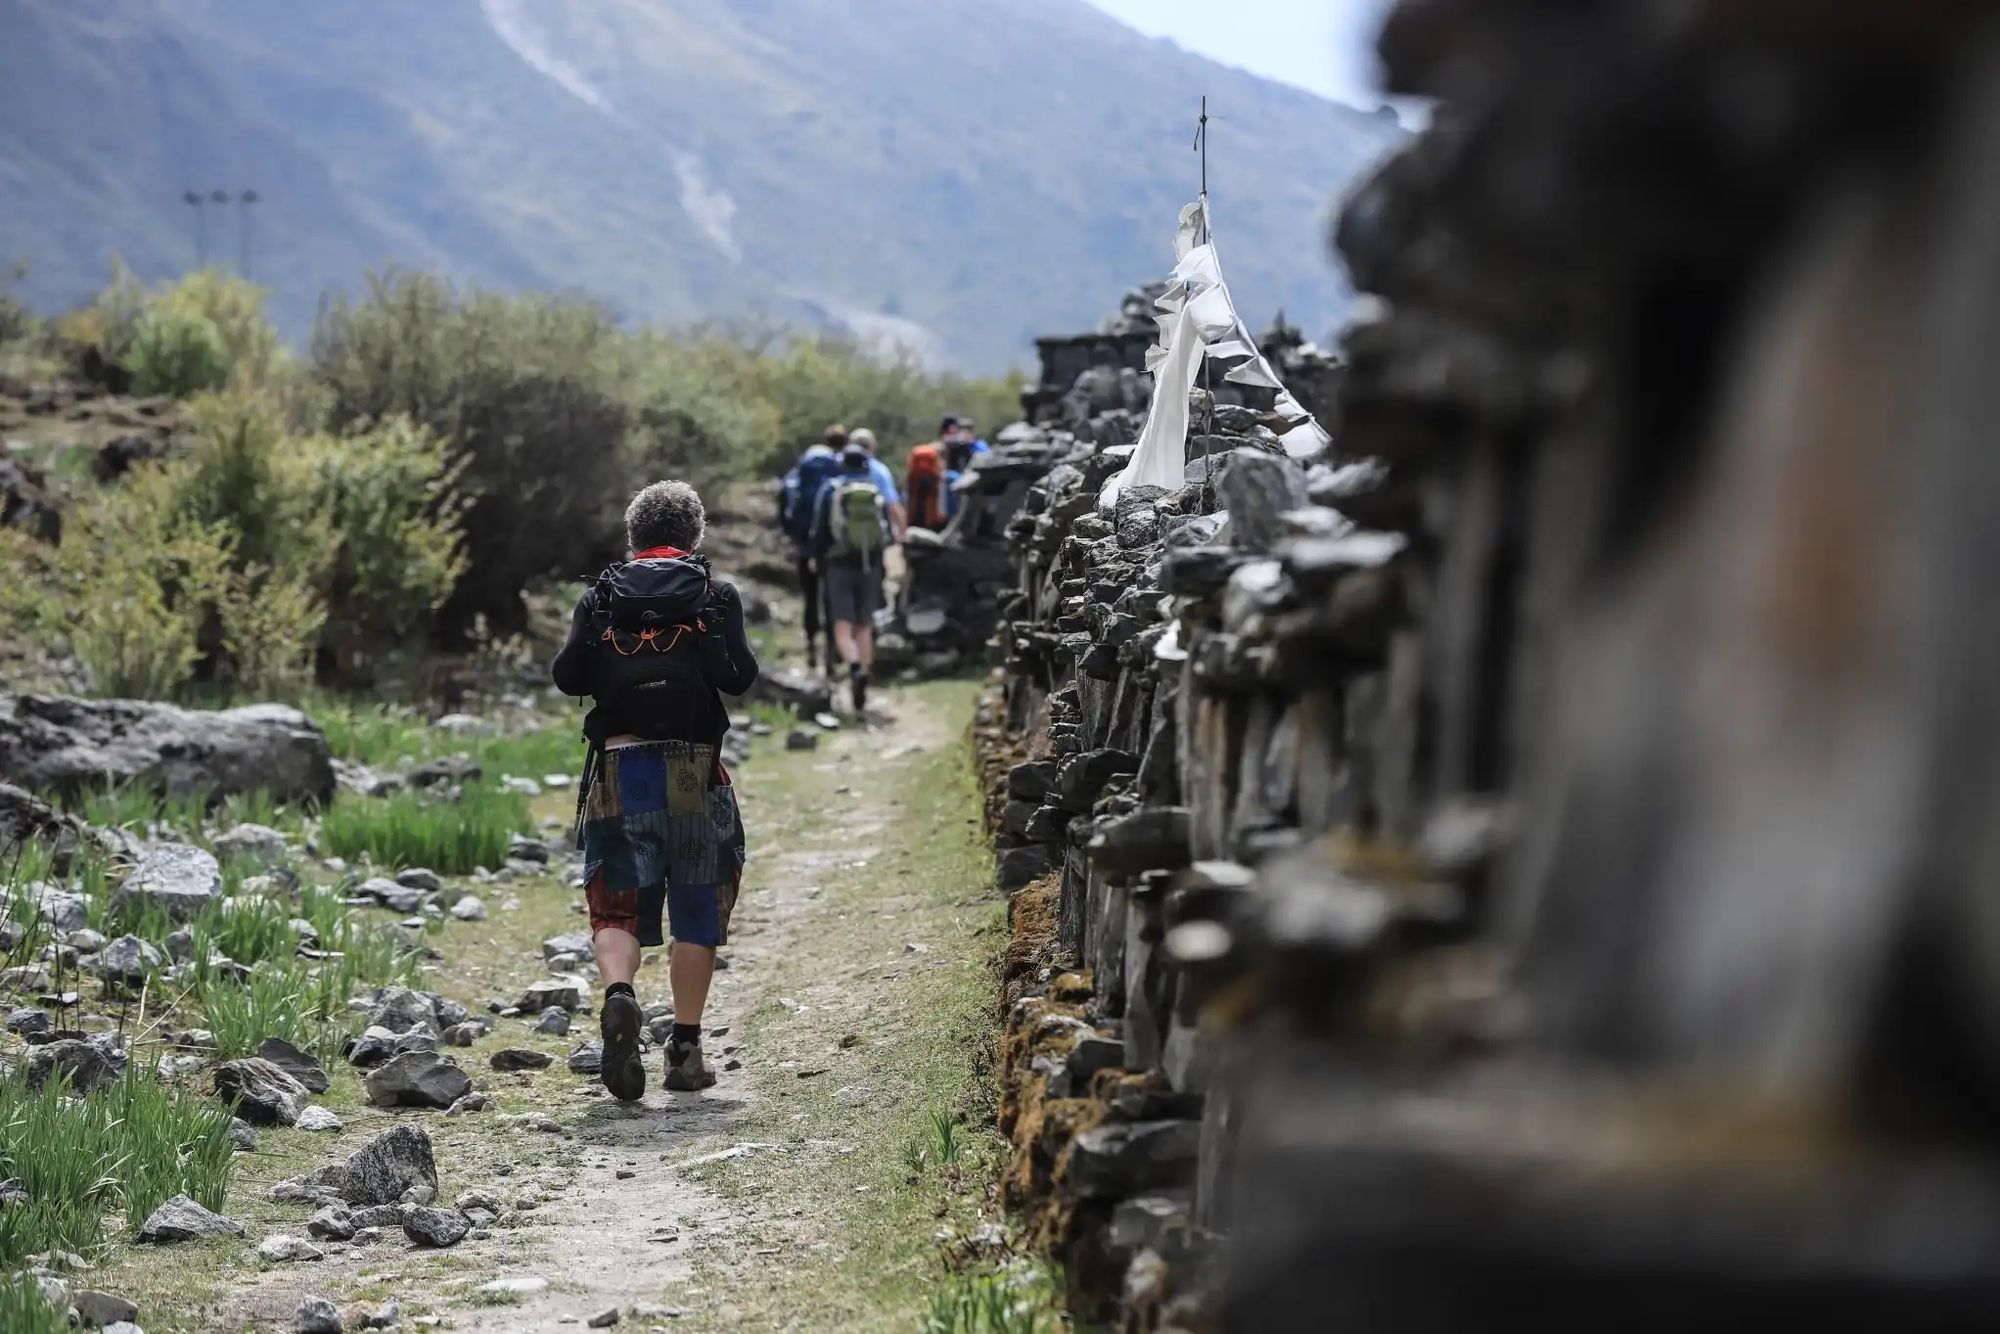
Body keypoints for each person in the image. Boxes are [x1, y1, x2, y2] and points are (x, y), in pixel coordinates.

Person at [551, 480, 758, 1099]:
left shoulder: (602, 595)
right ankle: (686, 1049)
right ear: (694, 536)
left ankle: (619, 995)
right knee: (696, 903)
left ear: (632, 536)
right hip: (695, 768)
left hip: (621, 768)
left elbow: (567, 677)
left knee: (615, 901)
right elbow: (739, 677)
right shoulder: (714, 594)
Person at [811, 442, 894, 713]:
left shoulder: (831, 489)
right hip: (869, 565)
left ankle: (855, 667)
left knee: (842, 626)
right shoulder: (874, 489)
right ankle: (865, 678)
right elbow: (886, 533)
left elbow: (819, 532)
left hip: (838, 565)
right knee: (865, 624)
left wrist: (818, 561)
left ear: (843, 463)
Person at [779, 427, 845, 668]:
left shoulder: (796, 477)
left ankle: (810, 646)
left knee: (810, 598)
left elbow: (785, 514)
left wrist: (796, 538)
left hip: (804, 547)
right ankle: (831, 650)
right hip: (831, 548)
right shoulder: (837, 474)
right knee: (831, 598)